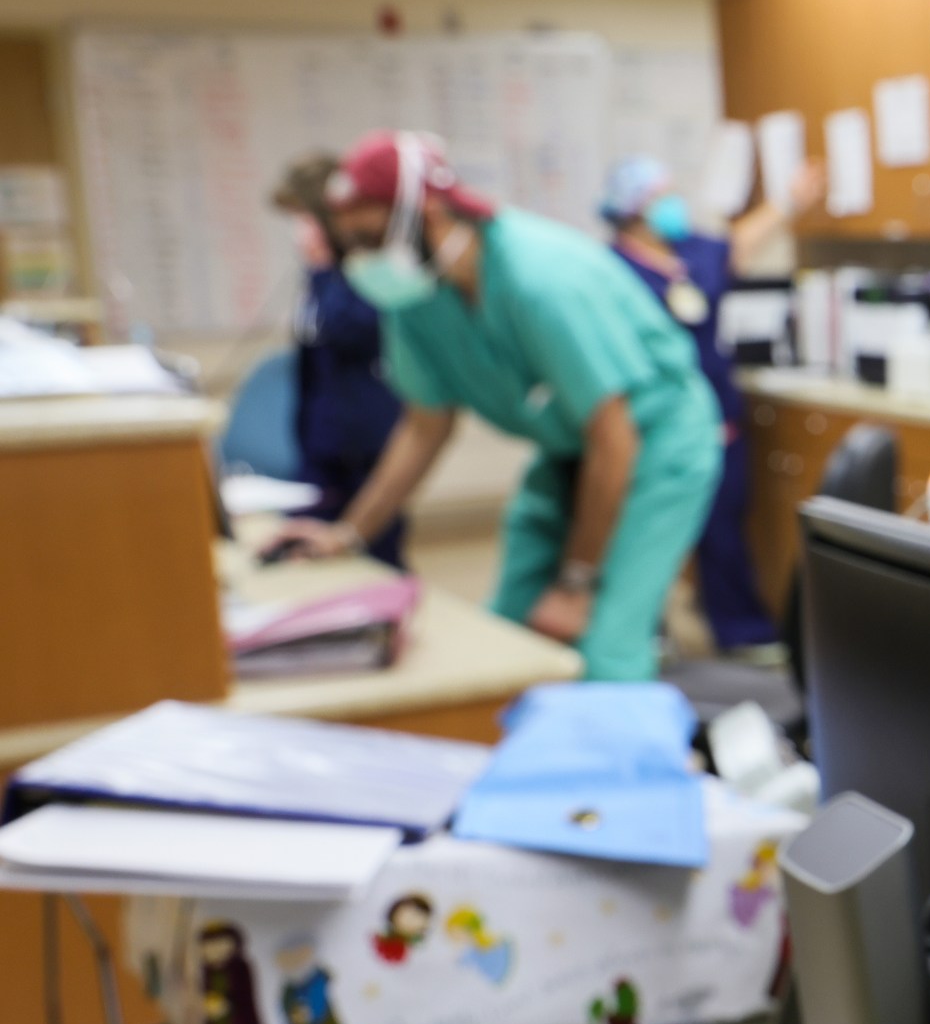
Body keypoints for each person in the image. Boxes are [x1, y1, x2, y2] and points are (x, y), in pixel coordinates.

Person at [263, 131, 721, 682]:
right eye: (347, 245)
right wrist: (348, 534)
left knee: (604, 644)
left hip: (656, 445)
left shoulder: (542, 280)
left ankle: (630, 756)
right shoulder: (414, 296)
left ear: (424, 213)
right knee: (504, 634)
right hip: (571, 449)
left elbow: (614, 437)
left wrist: (575, 582)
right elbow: (423, 426)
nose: (357, 261)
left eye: (366, 238)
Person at [596, 154, 821, 653]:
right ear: (634, 210)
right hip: (656, 424)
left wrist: (788, 201)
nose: (674, 204)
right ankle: (640, 632)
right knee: (650, 533)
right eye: (661, 196)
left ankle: (741, 631)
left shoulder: (690, 250)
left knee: (724, 533)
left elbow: (738, 243)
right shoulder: (614, 270)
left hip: (718, 418)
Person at [270, 155, 409, 567]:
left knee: (375, 552)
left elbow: (351, 329)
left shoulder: (366, 270)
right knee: (305, 543)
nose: (300, 231)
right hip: (321, 441)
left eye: (305, 219)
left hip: (364, 443)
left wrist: (326, 268)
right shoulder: (320, 276)